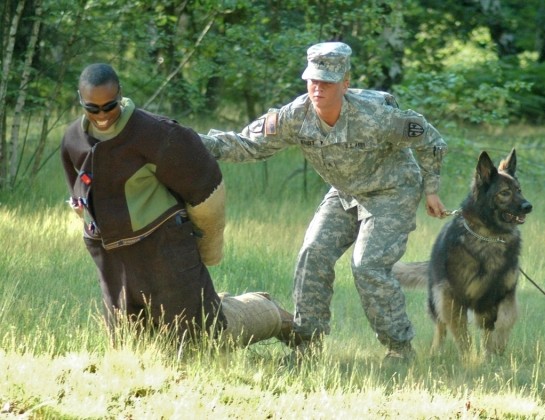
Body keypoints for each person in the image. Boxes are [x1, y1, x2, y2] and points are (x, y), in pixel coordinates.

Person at [200, 42, 448, 363]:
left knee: (367, 265)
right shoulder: (295, 116)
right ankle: (307, 346)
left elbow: (430, 139)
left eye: (327, 82)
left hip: (391, 191)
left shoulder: (376, 115)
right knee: (312, 254)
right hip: (345, 192)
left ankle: (399, 349)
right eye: (312, 80)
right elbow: (249, 144)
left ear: (345, 82)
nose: (318, 88)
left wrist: (431, 189)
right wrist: (191, 142)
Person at [61, 63, 292, 346]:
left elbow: (207, 189)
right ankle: (208, 303)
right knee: (130, 348)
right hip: (112, 260)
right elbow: (80, 197)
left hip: (164, 252)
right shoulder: (72, 140)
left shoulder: (156, 134)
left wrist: (210, 248)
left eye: (109, 106)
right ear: (80, 99)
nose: (102, 116)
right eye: (92, 108)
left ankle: (269, 312)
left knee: (203, 338)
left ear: (120, 94)